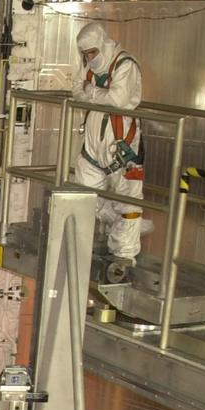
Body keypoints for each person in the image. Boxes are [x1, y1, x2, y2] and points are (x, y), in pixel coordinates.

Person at [71, 22, 145, 263]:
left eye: (92, 52)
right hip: (93, 148)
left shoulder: (125, 65)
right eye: (85, 54)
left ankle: (124, 256)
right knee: (84, 199)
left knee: (129, 205)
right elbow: (76, 91)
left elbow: (117, 99)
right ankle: (80, 249)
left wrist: (92, 92)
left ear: (102, 44)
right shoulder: (89, 68)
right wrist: (95, 94)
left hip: (123, 149)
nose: (89, 58)